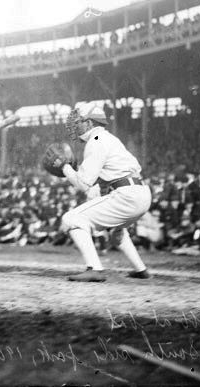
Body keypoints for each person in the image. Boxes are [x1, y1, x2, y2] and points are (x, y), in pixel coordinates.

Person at [56, 104, 152, 282]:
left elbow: (84, 183)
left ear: (90, 123)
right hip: (140, 192)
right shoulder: (108, 138)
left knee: (70, 219)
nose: (76, 126)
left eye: (79, 122)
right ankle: (141, 270)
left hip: (127, 195)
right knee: (118, 233)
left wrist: (65, 168)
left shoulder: (96, 140)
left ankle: (95, 269)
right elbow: (98, 182)